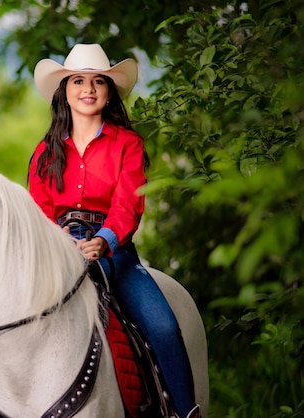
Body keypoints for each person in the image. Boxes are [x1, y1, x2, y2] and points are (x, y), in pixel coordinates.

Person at [27, 43, 200, 418]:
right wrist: (60, 244)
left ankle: (186, 413)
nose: (87, 89)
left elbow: (128, 205)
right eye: (78, 81)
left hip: (116, 253)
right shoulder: (45, 152)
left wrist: (102, 241)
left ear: (108, 92)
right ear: (65, 91)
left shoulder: (129, 145)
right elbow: (38, 213)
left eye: (97, 82)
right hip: (56, 250)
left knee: (165, 327)